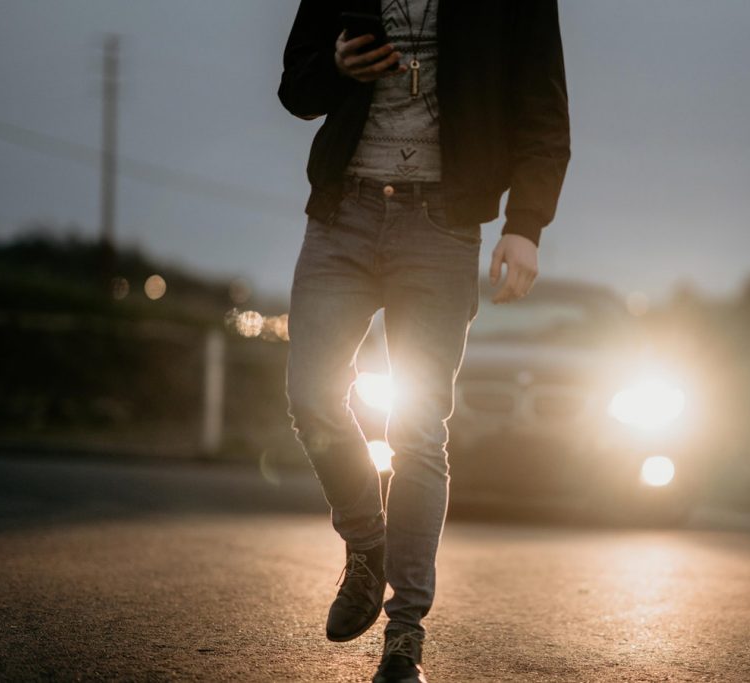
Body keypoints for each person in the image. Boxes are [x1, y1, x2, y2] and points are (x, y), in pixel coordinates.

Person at [277, 1, 569, 680]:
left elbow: (543, 108)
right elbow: (297, 85)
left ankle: (404, 634)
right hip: (341, 212)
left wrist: (525, 222)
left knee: (418, 427)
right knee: (311, 394)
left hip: (440, 225)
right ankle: (366, 541)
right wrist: (337, 68)